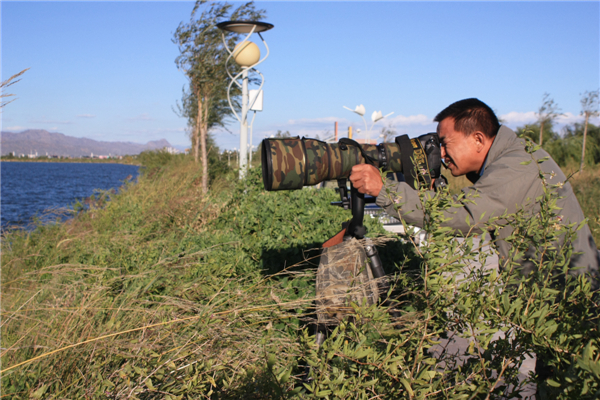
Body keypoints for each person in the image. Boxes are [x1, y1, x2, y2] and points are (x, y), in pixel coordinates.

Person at [349, 98, 600, 284]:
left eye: (445, 144)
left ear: (478, 139)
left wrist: (384, 190)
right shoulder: (516, 154)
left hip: (571, 299)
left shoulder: (515, 166)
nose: (442, 155)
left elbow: (466, 215)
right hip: (557, 295)